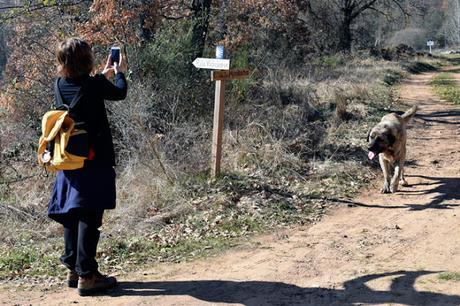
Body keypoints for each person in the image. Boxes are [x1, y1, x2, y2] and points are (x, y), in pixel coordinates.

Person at [47, 38, 127, 296]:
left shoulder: (59, 84)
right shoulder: (95, 85)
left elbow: (82, 92)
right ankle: (88, 276)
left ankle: (73, 268)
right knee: (89, 216)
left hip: (68, 158)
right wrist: (119, 73)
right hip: (94, 159)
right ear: (86, 60)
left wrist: (100, 78)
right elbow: (119, 93)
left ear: (63, 61)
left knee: (71, 213)